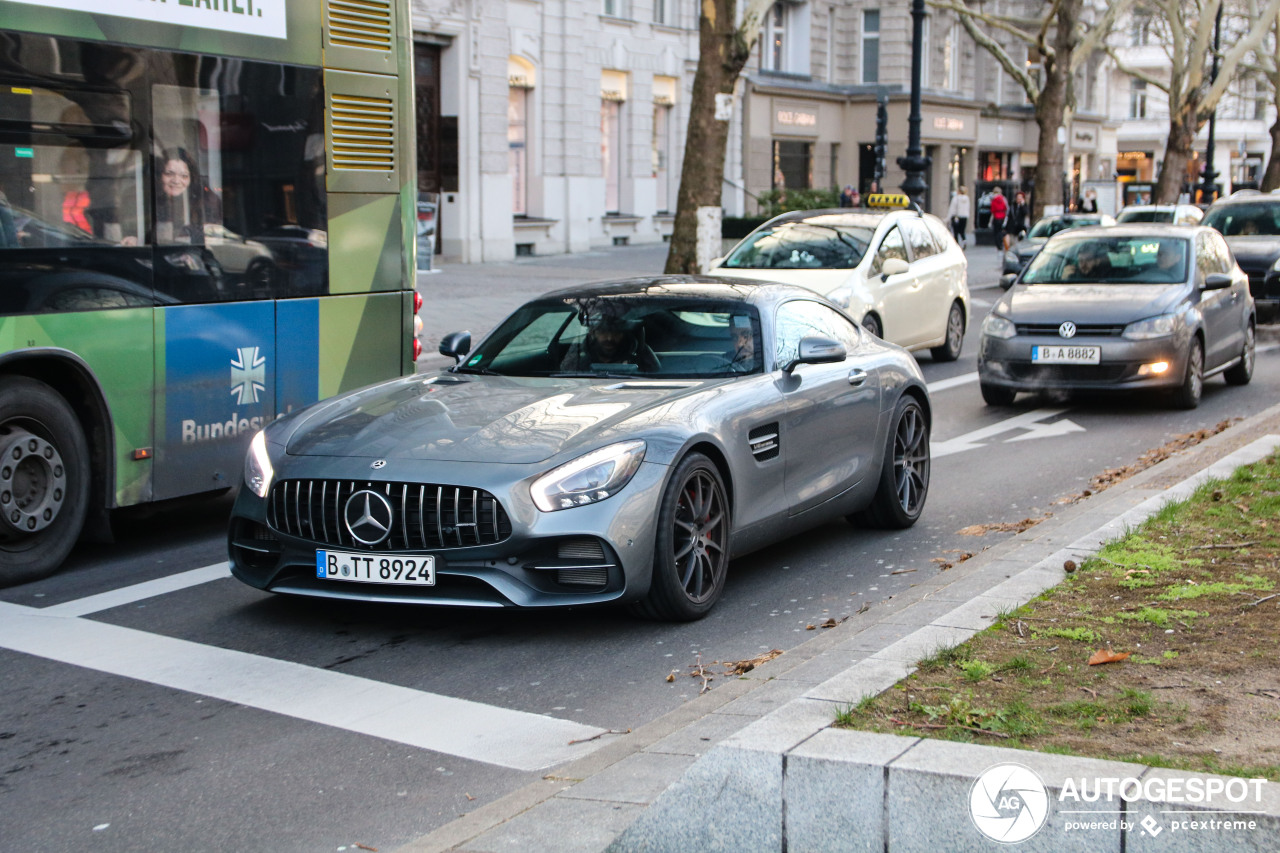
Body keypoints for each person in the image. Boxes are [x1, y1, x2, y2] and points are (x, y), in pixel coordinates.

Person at [153, 149, 222, 244]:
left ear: (191, 178)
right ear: (159, 175)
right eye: (169, 174)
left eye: (184, 176)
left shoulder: (206, 200)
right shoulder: (149, 201)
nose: (176, 181)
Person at [560, 314, 661, 372]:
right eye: (603, 332)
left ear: (624, 334)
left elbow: (655, 376)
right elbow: (566, 375)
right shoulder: (579, 358)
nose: (609, 338)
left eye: (616, 333)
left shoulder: (640, 358)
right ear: (592, 333)